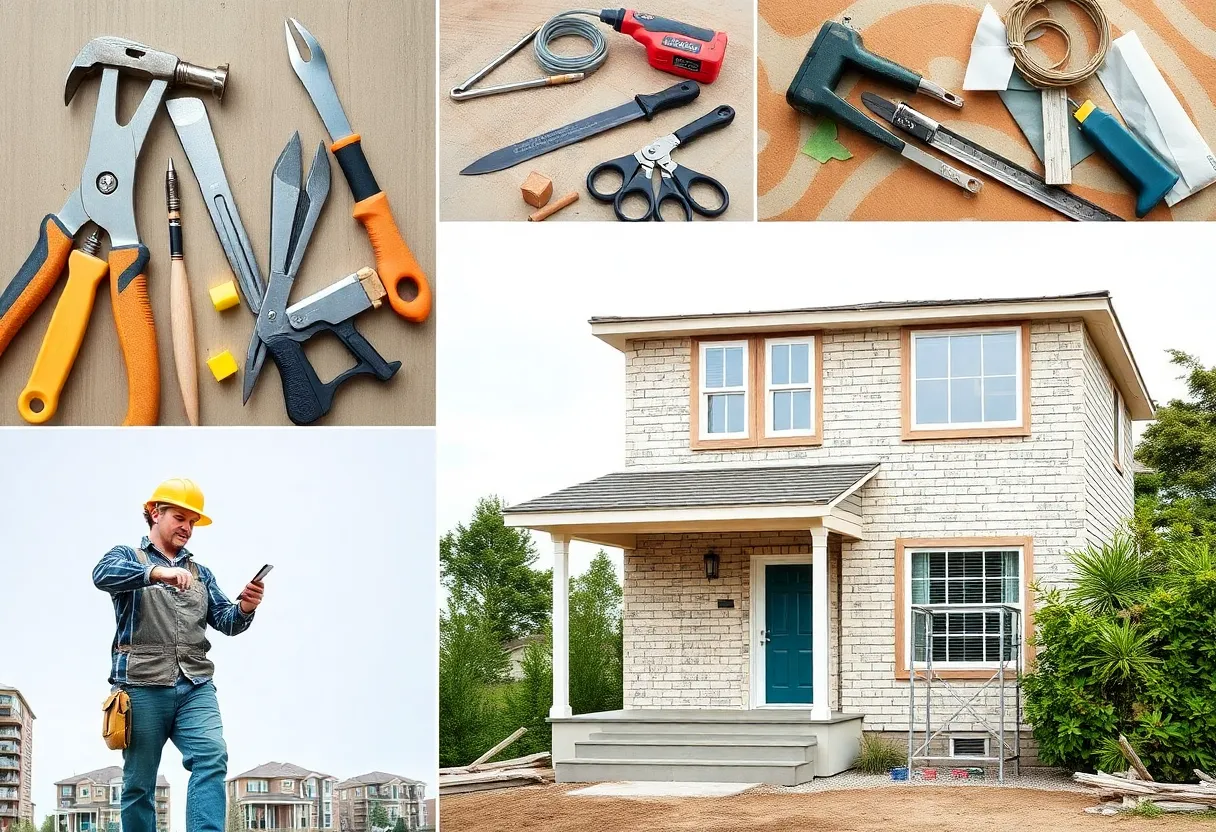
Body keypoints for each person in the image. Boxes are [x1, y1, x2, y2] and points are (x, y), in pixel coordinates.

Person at [93, 478, 265, 832]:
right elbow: (101, 574)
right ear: (156, 513)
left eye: (192, 522)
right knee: (139, 783)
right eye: (180, 517)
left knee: (212, 756)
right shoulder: (128, 557)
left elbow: (226, 622)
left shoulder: (201, 574)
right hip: (141, 686)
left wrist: (246, 607)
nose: (187, 527)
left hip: (195, 686)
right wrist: (156, 573)